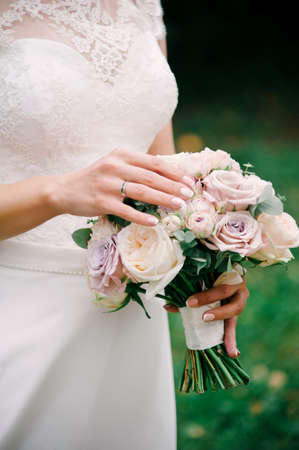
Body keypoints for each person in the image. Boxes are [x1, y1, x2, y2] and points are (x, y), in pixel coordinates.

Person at [0, 1, 249, 449]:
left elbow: (163, 166)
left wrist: (212, 257)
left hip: (130, 315)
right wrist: (56, 193)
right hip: (17, 309)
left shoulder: (142, 5)